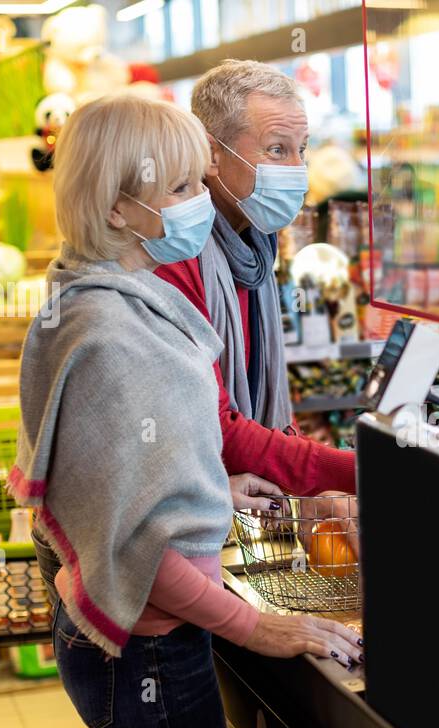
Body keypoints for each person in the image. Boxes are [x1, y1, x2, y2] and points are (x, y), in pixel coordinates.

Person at [10, 94, 362, 728]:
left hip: (105, 631)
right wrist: (258, 627)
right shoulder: (118, 334)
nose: (200, 204)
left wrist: (212, 485)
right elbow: (136, 541)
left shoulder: (95, 295)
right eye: (179, 189)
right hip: (150, 649)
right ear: (120, 207)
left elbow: (108, 478)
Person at [150, 60, 357, 510]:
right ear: (210, 153)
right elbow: (214, 426)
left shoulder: (256, 246)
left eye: (302, 149)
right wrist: (358, 471)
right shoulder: (174, 254)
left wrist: (313, 490)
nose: (297, 169)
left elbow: (262, 414)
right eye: (276, 150)